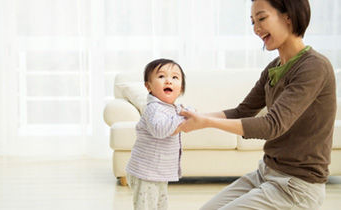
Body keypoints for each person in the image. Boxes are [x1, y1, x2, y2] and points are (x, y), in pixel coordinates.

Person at [178, 0, 336, 209]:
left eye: (261, 18)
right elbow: (242, 111)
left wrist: (206, 122)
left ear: (288, 16)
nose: (256, 29)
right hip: (266, 173)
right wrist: (194, 117)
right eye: (252, 22)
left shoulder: (314, 67)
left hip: (297, 188)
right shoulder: (274, 67)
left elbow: (272, 125)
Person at [126, 58, 192, 210]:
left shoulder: (172, 108)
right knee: (148, 206)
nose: (168, 81)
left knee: (161, 204)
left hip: (157, 172)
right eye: (161, 76)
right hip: (146, 173)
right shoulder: (154, 108)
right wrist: (182, 117)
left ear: (180, 88)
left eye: (175, 77)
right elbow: (161, 130)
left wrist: (186, 115)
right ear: (148, 86)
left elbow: (177, 124)